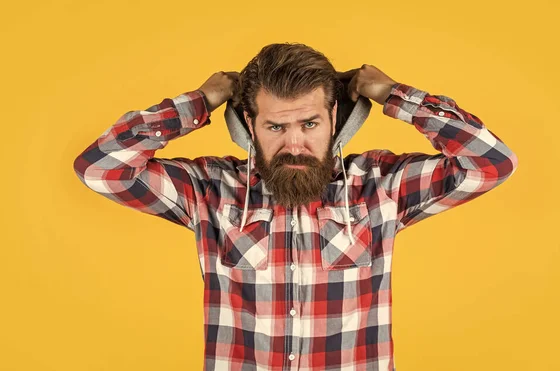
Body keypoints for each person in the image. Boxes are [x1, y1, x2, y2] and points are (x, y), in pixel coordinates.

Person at [73, 42, 518, 370]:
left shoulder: (382, 187)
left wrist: (392, 94)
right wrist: (200, 101)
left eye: (309, 123)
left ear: (336, 120)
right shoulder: (209, 190)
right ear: (249, 124)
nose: (294, 144)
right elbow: (100, 169)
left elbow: (491, 163)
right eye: (275, 126)